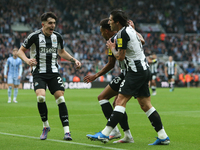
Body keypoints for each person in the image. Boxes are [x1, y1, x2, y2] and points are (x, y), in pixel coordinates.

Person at [86, 9, 170, 145]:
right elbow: (141, 41)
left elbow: (120, 56)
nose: (109, 22)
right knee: (145, 105)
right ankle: (163, 136)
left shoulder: (121, 34)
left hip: (135, 72)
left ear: (117, 22)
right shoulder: (129, 30)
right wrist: (134, 31)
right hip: (143, 70)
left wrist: (112, 48)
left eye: (110, 20)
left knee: (119, 101)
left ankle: (105, 133)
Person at [17, 12, 81, 140]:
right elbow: (20, 51)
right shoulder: (34, 36)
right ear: (43, 24)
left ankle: (67, 132)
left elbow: (61, 52)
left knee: (60, 98)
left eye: (54, 23)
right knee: (40, 98)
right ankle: (46, 126)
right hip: (39, 73)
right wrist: (28, 60)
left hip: (53, 73)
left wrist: (74, 60)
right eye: (50, 23)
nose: (53, 26)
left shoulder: (57, 37)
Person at [84, 18, 143, 143]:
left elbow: (140, 42)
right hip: (126, 73)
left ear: (107, 30)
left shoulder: (119, 37)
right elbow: (111, 64)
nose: (101, 34)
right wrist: (96, 75)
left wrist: (95, 75)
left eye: (101, 32)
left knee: (116, 102)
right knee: (105, 98)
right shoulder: (112, 40)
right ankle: (123, 134)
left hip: (132, 73)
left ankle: (116, 132)